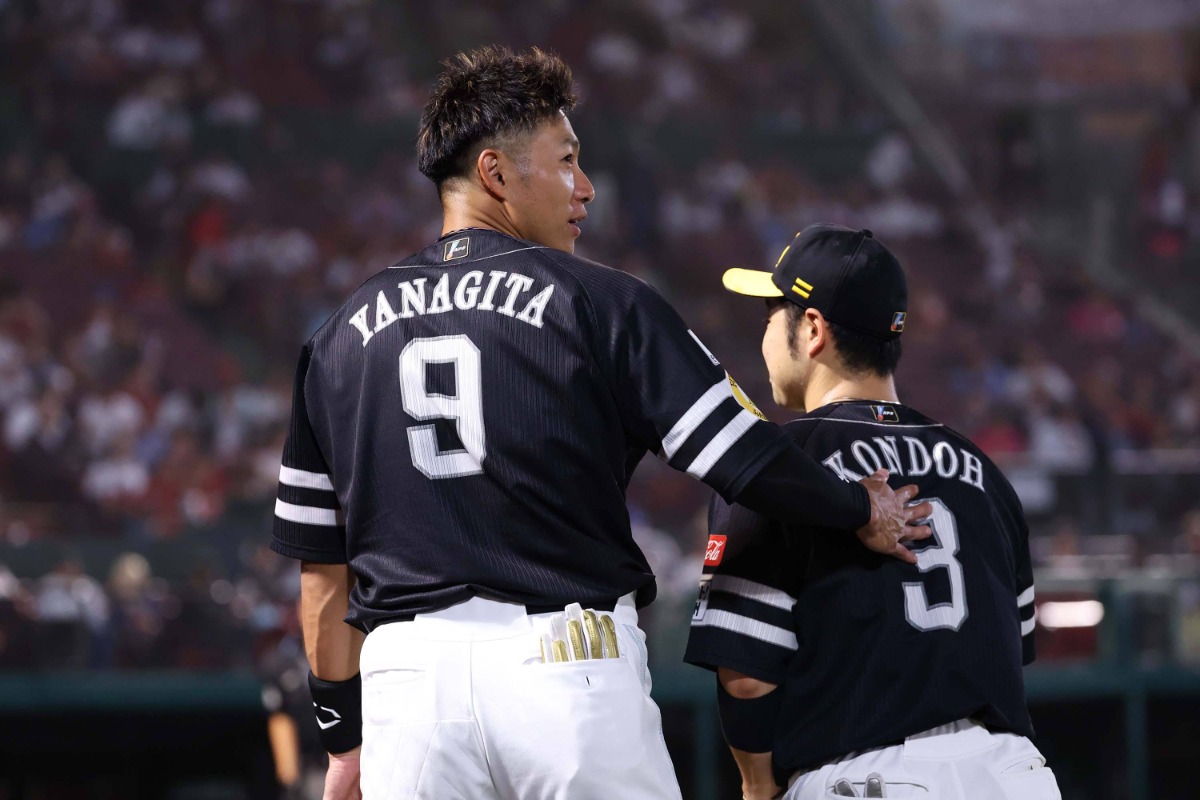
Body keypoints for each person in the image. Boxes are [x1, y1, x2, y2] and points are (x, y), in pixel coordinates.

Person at [270, 49, 931, 800]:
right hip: (564, 668)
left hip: (408, 695)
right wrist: (858, 509)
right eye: (567, 161)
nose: (585, 187)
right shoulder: (602, 302)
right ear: (495, 173)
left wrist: (345, 741)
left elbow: (322, 579)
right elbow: (740, 457)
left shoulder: (334, 340)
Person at [684, 224, 1060, 800]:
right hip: (1013, 774)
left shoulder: (778, 467)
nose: (764, 333)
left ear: (812, 329)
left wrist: (757, 786)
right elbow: (1016, 647)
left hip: (874, 777)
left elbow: (747, 675)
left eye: (770, 314)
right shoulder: (983, 467)